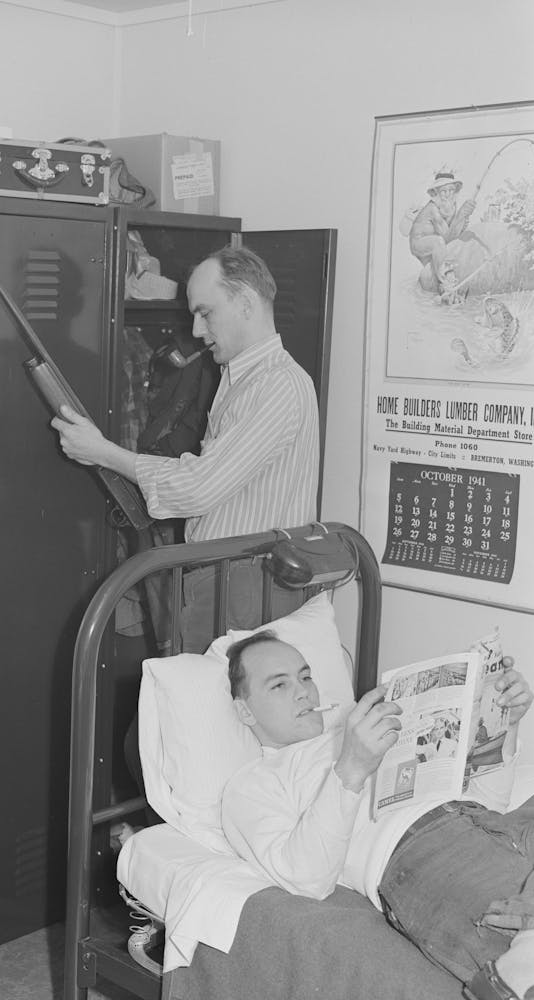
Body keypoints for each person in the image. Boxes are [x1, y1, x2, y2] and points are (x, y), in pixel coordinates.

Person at [220, 631, 534, 1000]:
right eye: (279, 684)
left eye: (306, 676)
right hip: (423, 851)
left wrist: (503, 724)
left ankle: (523, 961)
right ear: (245, 710)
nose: (303, 691)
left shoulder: (362, 728)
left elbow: (489, 804)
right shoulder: (255, 783)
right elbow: (305, 878)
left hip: (490, 824)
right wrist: (351, 768)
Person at [52, 245, 320, 653]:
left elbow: (199, 488)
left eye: (205, 313)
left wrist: (102, 452)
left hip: (248, 588)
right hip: (228, 583)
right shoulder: (242, 378)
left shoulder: (277, 384)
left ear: (246, 303)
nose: (195, 330)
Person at [408, 170, 482, 296]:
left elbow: (453, 234)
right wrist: (460, 215)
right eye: (443, 191)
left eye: (451, 190)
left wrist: (462, 219)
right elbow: (446, 238)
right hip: (419, 243)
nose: (448, 194)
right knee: (438, 242)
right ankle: (446, 283)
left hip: (436, 242)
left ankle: (446, 287)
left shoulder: (450, 206)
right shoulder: (433, 209)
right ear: (436, 192)